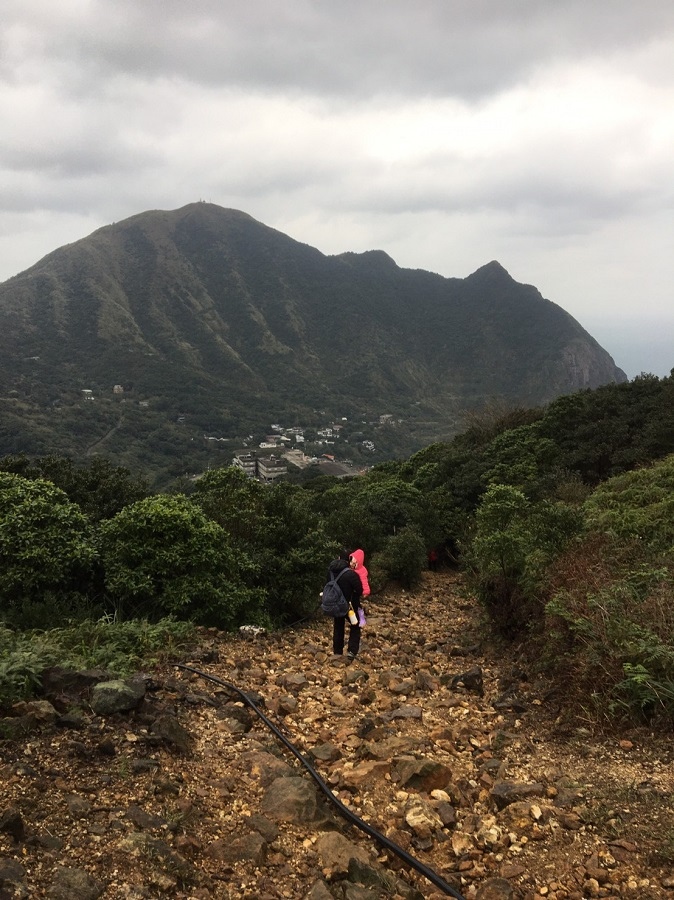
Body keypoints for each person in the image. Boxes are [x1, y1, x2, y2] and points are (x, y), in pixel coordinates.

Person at [327, 549, 363, 660]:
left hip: (335, 605)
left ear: (338, 558)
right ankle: (351, 652)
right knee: (355, 626)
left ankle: (337, 652)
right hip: (350, 607)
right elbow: (360, 590)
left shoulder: (330, 572)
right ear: (349, 559)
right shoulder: (351, 574)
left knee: (338, 626)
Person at [349, 548, 370, 625]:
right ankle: (355, 619)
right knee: (352, 606)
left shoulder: (362, 571)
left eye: (353, 563)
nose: (351, 564)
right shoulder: (351, 569)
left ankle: (361, 618)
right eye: (351, 562)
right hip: (351, 591)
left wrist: (365, 591)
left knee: (357, 605)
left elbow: (365, 582)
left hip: (357, 591)